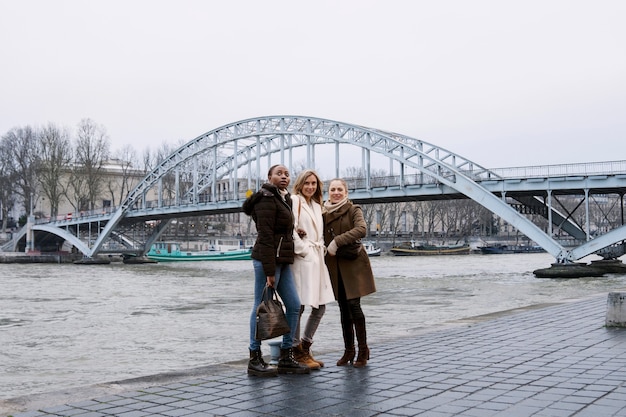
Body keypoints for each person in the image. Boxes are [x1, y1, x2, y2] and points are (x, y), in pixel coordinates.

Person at [242, 164, 310, 376]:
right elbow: (265, 236)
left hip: (282, 260)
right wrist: (270, 272)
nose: (284, 176)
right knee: (260, 306)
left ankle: (286, 356)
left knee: (294, 305)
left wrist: (293, 230)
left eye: (287, 174)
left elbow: (278, 228)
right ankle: (254, 357)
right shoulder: (265, 199)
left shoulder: (283, 198)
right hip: (267, 260)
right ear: (269, 176)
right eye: (279, 173)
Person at [323, 178, 376, 368]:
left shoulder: (354, 209)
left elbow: (361, 229)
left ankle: (363, 350)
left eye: (339, 189)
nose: (336, 192)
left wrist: (336, 242)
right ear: (328, 192)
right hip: (335, 265)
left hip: (353, 263)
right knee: (343, 308)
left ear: (346, 192)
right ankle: (348, 350)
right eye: (332, 189)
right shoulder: (322, 212)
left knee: (354, 305)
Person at [290, 170, 336, 370]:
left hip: (318, 259)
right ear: (300, 184)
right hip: (304, 260)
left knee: (320, 306)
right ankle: (295, 349)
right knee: (298, 306)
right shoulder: (295, 200)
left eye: (314, 184)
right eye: (307, 183)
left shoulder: (317, 206)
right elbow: (289, 229)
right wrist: (303, 250)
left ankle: (305, 346)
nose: (310, 187)